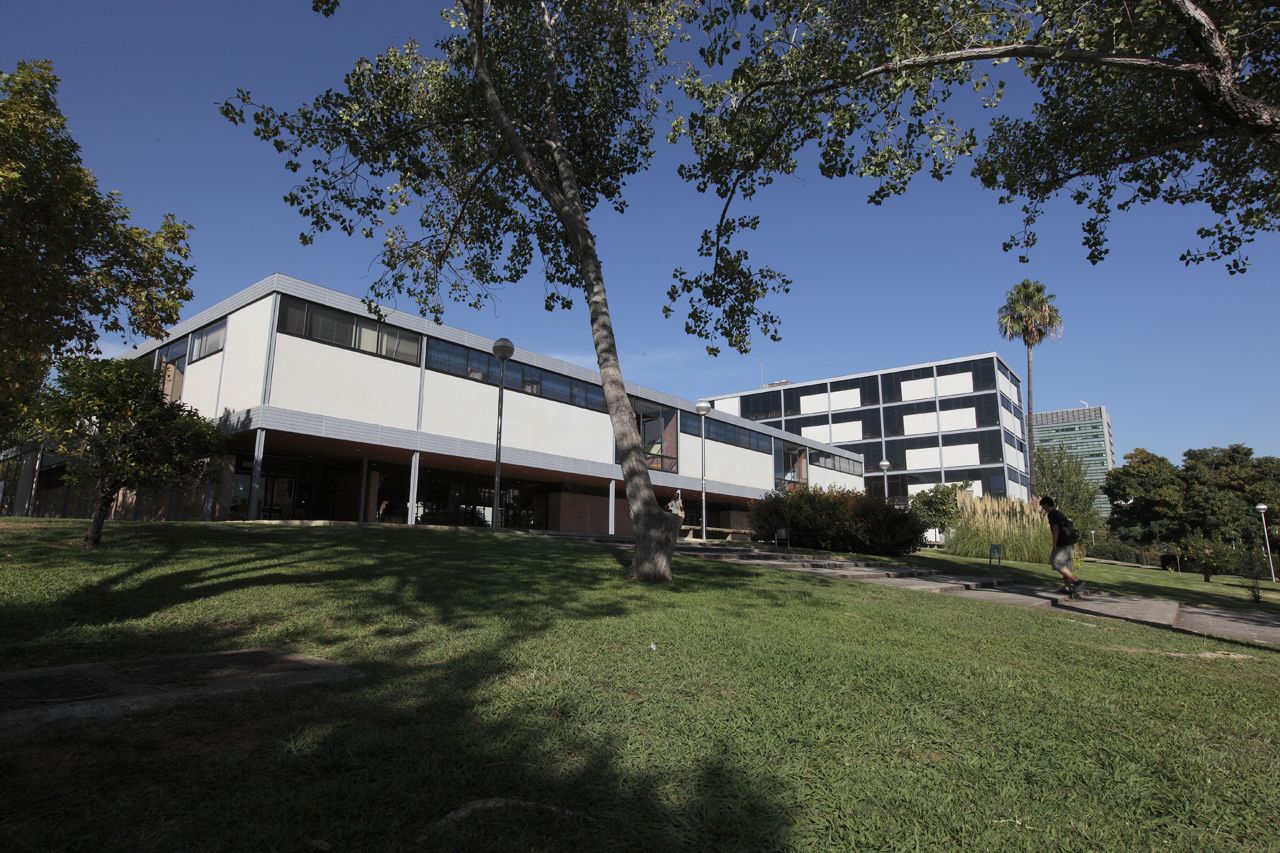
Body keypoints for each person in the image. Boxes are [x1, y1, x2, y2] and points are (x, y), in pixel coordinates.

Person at [1039, 496, 1084, 597]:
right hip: (1070, 542)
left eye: (1043, 506)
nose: (1043, 509)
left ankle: (1077, 581)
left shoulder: (1051, 514)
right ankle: (1067, 588)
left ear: (1046, 504)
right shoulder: (1059, 512)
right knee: (1066, 566)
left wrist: (1054, 544)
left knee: (1056, 563)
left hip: (1062, 542)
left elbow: (1055, 529)